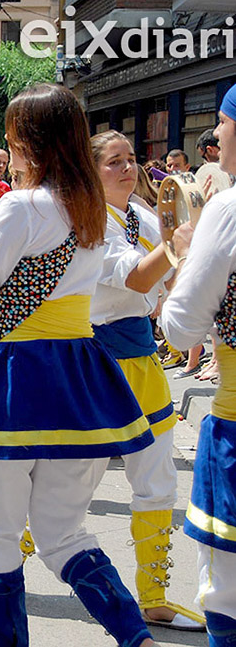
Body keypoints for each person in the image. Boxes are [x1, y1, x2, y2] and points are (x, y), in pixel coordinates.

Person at [0, 83, 156, 647]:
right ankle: (134, 635)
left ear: (29, 144)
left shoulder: (22, 206)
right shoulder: (95, 208)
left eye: (14, 139)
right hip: (80, 371)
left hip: (19, 374)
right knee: (64, 533)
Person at [89, 129, 205, 631]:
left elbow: (164, 284)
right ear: (91, 171)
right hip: (95, 361)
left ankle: (153, 595)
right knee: (66, 494)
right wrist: (181, 244)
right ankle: (4, 575)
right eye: (113, 162)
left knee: (157, 482)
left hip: (140, 354)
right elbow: (136, 277)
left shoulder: (141, 214)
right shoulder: (87, 221)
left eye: (131, 159)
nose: (127, 168)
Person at [161, 83, 236, 647]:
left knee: (227, 594)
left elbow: (181, 327)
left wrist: (186, 256)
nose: (218, 136)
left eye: (224, 124)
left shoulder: (228, 208)